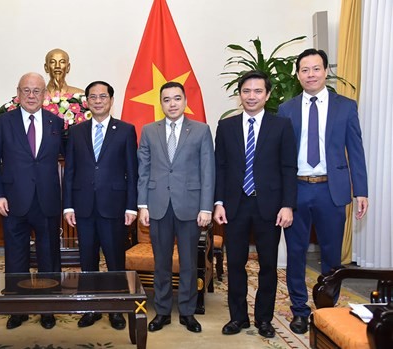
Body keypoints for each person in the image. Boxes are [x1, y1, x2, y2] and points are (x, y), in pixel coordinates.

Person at [278, 49, 368, 334]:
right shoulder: (286, 109)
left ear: (326, 71)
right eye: (305, 70)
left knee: (331, 255)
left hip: (332, 189)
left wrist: (361, 191)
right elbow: (280, 156)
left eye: (316, 69)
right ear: (298, 74)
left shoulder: (345, 106)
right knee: (296, 252)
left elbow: (356, 150)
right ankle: (300, 310)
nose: (311, 75)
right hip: (297, 190)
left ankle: (327, 311)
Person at [214, 71, 297, 338]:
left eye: (258, 91)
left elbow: (288, 167)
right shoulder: (226, 127)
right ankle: (238, 317)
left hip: (269, 207)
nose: (252, 96)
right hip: (235, 206)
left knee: (268, 265)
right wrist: (218, 202)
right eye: (247, 91)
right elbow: (221, 168)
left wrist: (287, 205)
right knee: (235, 264)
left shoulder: (281, 126)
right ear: (239, 95)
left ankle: (264, 319)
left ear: (267, 95)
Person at [0, 72, 64, 330]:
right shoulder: (3, 122)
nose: (31, 96)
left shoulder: (56, 122)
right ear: (18, 93)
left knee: (49, 257)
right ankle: (17, 309)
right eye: (26, 91)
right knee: (15, 257)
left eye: (37, 91)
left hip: (47, 200)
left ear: (45, 95)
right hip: (13, 200)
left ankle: (48, 308)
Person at [137, 81, 214, 333]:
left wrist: (206, 208)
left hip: (190, 207)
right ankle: (161, 311)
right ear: (161, 103)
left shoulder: (201, 130)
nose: (172, 103)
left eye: (177, 98)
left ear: (185, 101)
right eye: (167, 99)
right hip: (158, 205)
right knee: (161, 262)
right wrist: (143, 204)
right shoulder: (149, 130)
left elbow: (207, 171)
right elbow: (144, 170)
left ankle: (188, 312)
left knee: (189, 263)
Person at [63, 81, 138, 330]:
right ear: (87, 101)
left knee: (115, 260)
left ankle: (116, 309)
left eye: (102, 96)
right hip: (83, 208)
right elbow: (70, 171)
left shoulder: (126, 130)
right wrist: (68, 206)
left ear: (111, 99)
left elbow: (132, 171)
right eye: (92, 97)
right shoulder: (76, 132)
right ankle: (91, 307)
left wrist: (131, 206)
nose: (97, 100)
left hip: (114, 207)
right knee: (87, 261)